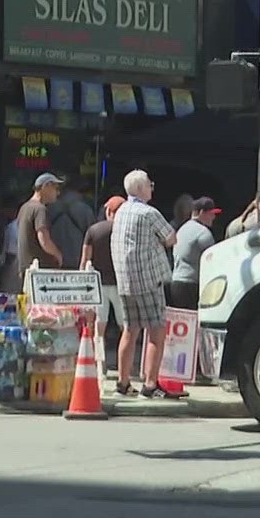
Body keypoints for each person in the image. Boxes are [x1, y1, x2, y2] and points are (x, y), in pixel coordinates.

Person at [112, 169, 177, 398]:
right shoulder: (149, 213)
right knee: (156, 333)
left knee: (130, 330)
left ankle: (123, 382)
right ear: (141, 189)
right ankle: (150, 384)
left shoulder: (120, 212)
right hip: (148, 280)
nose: (152, 187)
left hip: (125, 280)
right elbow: (171, 238)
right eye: (150, 184)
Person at [79, 195, 125, 371]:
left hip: (97, 285)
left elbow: (85, 259)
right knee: (126, 327)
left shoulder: (94, 230)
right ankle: (124, 366)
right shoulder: (125, 232)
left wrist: (82, 284)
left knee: (99, 326)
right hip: (120, 283)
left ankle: (100, 365)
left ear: (108, 211)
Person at [15, 173, 64, 292]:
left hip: (25, 267)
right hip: (41, 271)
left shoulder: (24, 207)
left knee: (30, 308)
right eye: (55, 188)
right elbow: (44, 240)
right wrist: (57, 255)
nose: (58, 193)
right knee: (44, 309)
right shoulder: (40, 209)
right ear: (46, 186)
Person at [169, 197, 221, 310]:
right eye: (211, 213)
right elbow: (214, 261)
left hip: (176, 282)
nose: (214, 217)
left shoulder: (182, 229)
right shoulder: (203, 233)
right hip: (192, 285)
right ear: (202, 213)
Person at [48, 182, 95, 278]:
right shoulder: (85, 210)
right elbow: (92, 235)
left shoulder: (50, 208)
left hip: (54, 259)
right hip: (76, 258)